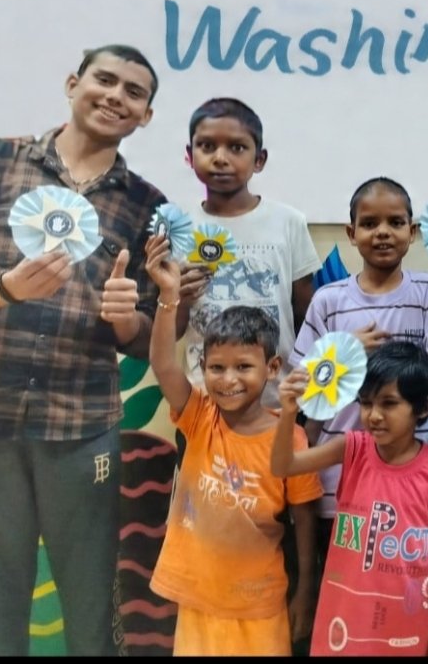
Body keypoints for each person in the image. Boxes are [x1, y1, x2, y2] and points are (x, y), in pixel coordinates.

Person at [0, 44, 165, 655]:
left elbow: (150, 340)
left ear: (145, 116)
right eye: (104, 80)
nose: (115, 96)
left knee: (92, 597)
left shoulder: (147, 205)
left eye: (134, 92)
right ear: (73, 83)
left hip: (81, 426)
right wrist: (3, 289)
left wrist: (127, 324)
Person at [143, 234, 323, 655]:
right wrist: (169, 297)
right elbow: (162, 363)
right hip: (198, 600)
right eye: (216, 368)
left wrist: (305, 593)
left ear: (273, 367)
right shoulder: (200, 415)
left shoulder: (290, 436)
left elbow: (305, 520)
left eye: (243, 366)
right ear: (203, 369)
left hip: (260, 605)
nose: (228, 380)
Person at [287, 176, 428, 578]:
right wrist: (344, 354)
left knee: (399, 584)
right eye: (369, 224)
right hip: (337, 479)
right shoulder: (328, 301)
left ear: (413, 232)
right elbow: (298, 387)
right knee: (344, 585)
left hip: (410, 477)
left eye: (395, 223)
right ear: (351, 233)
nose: (382, 232)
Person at [272, 339, 428, 657]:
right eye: (366, 403)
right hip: (345, 621)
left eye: (389, 403)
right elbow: (283, 465)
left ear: (423, 408)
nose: (373, 415)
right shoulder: (352, 448)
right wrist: (289, 412)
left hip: (407, 628)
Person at [177, 97, 322, 410]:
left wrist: (310, 397)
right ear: (189, 156)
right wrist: (179, 296)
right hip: (204, 405)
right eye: (206, 146)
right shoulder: (179, 229)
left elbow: (306, 314)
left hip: (277, 400)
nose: (220, 158)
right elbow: (173, 328)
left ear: (260, 159)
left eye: (237, 147)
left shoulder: (288, 222)